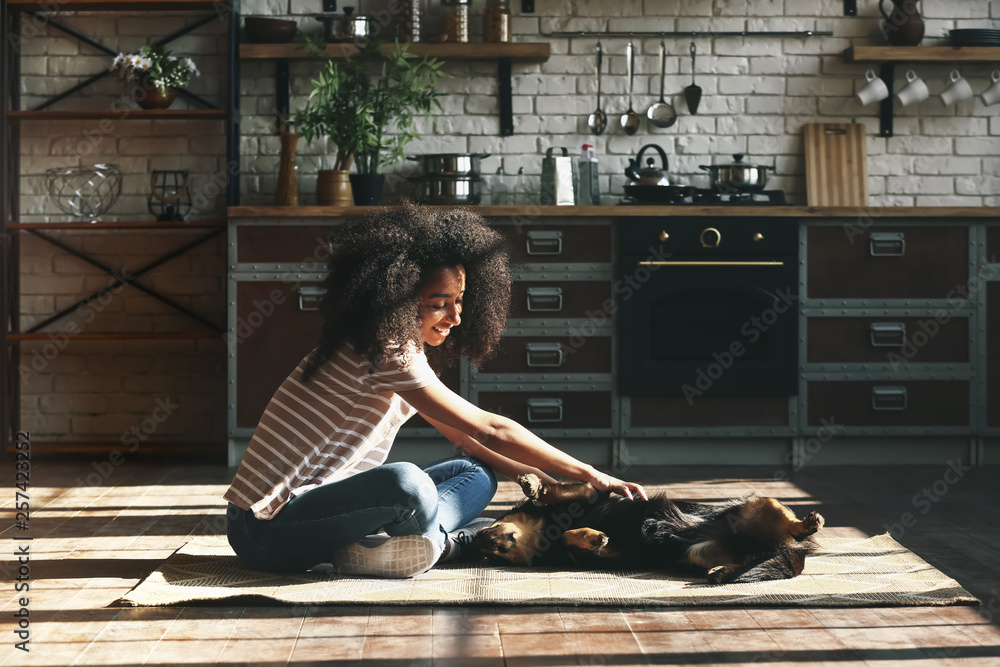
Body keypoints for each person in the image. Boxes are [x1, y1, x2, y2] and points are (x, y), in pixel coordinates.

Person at [224, 203, 646, 578]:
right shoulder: (385, 349)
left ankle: (392, 548)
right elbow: (488, 429)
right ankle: (446, 545)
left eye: (460, 300)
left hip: (326, 511)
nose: (456, 317)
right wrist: (589, 473)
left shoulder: (394, 344)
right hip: (266, 531)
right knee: (406, 482)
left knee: (474, 473)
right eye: (439, 302)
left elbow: (463, 439)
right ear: (399, 296)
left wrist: (539, 482)